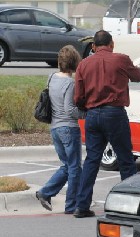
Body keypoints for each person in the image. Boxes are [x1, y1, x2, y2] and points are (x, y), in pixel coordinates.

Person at [73, 30, 140, 218]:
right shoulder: (121, 60)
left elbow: (78, 97)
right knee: (125, 159)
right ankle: (129, 205)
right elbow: (138, 76)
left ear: (94, 46)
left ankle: (82, 205)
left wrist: (87, 107)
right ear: (111, 44)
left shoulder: (83, 64)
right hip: (114, 113)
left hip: (93, 115)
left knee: (92, 160)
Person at [35, 45, 86, 214]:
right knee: (74, 168)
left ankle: (45, 192)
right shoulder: (70, 83)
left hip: (55, 128)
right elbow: (69, 109)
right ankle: (71, 205)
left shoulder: (51, 78)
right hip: (68, 128)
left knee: (67, 165)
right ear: (74, 62)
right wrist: (86, 114)